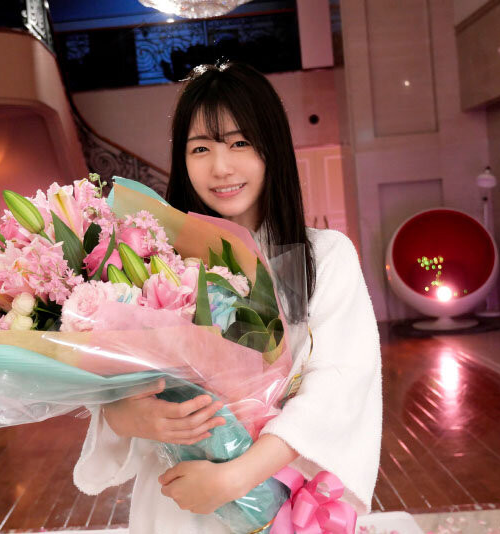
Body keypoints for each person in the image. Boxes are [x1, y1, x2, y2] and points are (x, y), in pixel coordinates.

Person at [73, 62, 382, 533]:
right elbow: (118, 389)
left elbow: (339, 386)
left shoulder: (324, 256)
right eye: (201, 148)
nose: (221, 168)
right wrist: (125, 417)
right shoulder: (154, 262)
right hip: (176, 498)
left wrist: (237, 477)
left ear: (272, 148)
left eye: (240, 143)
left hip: (278, 495)